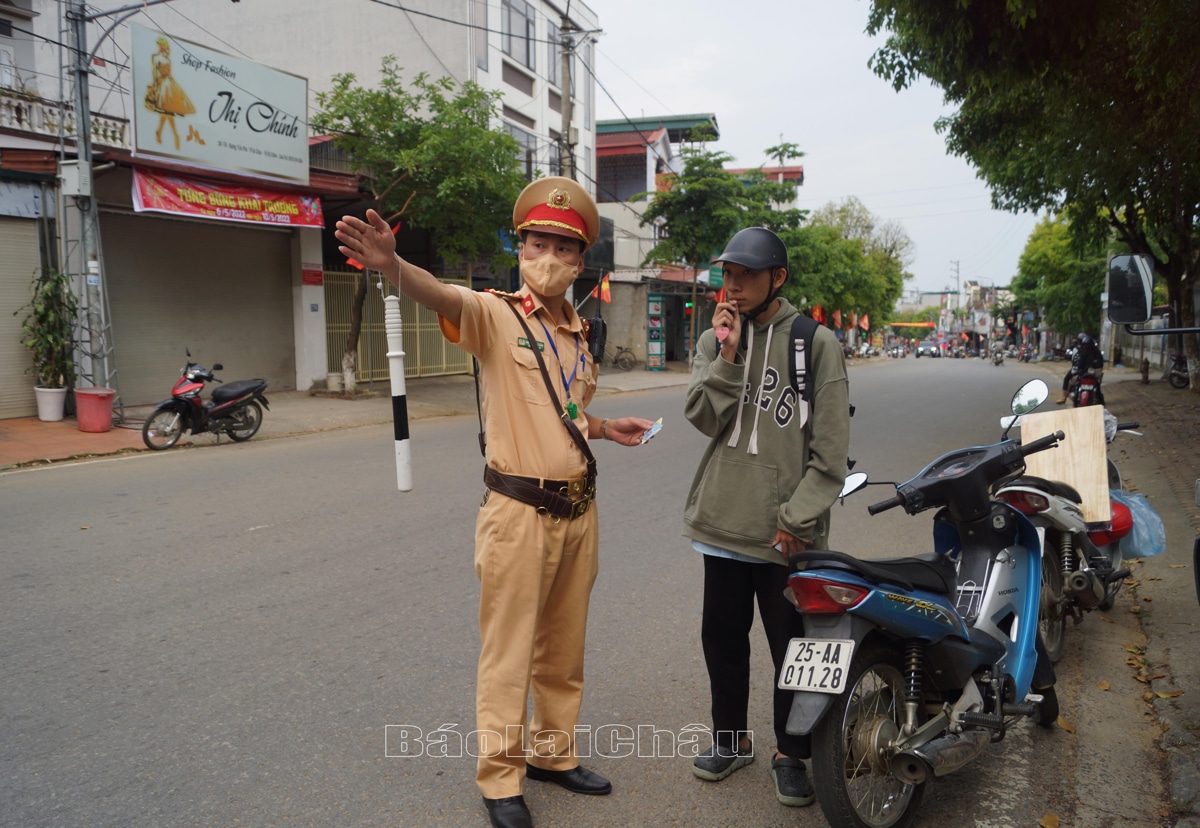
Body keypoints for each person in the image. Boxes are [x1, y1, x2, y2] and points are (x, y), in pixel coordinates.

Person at [335, 178, 655, 828]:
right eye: (537, 241)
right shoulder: (495, 315)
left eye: (563, 246)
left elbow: (564, 409)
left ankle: (552, 755)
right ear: (521, 248)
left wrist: (602, 426)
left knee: (564, 650)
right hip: (517, 515)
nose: (548, 254)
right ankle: (500, 778)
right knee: (509, 652)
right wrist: (394, 266)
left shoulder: (577, 338)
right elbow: (441, 293)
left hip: (578, 510)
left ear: (579, 262)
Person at [681, 227, 850, 808]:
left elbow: (830, 457)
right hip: (722, 524)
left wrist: (797, 516)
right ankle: (730, 740)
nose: (733, 286)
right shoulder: (714, 339)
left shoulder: (814, 343)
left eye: (746, 275)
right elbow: (702, 417)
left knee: (792, 647)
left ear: (777, 278)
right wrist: (726, 353)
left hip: (784, 533)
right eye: (727, 274)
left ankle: (792, 752)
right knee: (722, 640)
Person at [1057, 332, 1102, 404]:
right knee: (1097, 386)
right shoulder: (1096, 351)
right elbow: (1100, 364)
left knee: (1070, 380)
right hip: (1089, 372)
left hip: (1082, 371)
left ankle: (1064, 397)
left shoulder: (1083, 350)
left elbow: (1080, 363)